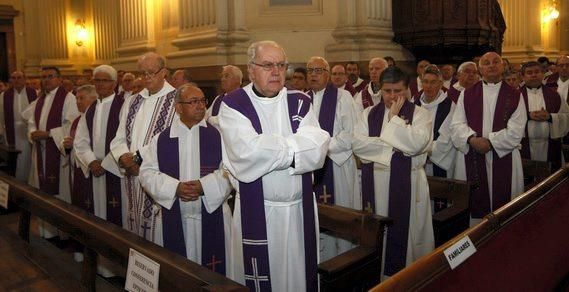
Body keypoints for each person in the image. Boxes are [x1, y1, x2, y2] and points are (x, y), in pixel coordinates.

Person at [218, 40, 330, 292]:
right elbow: (247, 154)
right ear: (250, 69)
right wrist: (295, 149)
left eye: (281, 65)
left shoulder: (300, 101)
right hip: (258, 212)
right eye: (268, 65)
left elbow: (319, 148)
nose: (277, 71)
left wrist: (271, 150)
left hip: (299, 211)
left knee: (299, 279)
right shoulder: (233, 104)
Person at [140, 84, 232, 274]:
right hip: (174, 219)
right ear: (178, 108)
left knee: (215, 273)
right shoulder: (161, 139)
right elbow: (147, 173)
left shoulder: (219, 136)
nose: (200, 106)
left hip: (211, 216)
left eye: (202, 101)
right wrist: (175, 188)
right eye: (193, 101)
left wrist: (204, 186)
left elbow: (231, 170)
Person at [352, 66, 434, 278]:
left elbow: (416, 144)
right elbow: (358, 145)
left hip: (409, 185)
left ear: (407, 89)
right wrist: (395, 146)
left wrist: (395, 119)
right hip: (375, 184)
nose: (392, 96)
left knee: (409, 239)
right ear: (380, 89)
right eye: (387, 91)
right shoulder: (368, 114)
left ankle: (410, 279)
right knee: (380, 236)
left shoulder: (420, 114)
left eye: (397, 91)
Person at [450, 52, 527, 227]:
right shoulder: (467, 94)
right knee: (475, 213)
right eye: (486, 63)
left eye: (495, 62)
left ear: (503, 66)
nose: (491, 65)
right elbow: (456, 125)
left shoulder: (515, 95)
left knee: (506, 212)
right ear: (480, 68)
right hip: (473, 153)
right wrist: (471, 139)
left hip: (504, 155)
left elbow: (516, 130)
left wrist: (490, 142)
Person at [109, 52, 177, 241]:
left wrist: (137, 159)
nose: (146, 77)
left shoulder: (177, 101)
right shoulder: (132, 101)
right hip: (131, 177)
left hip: (158, 176)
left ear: (164, 72)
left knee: (158, 235)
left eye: (151, 73)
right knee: (133, 228)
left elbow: (173, 141)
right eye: (142, 73)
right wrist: (123, 157)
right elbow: (119, 137)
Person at [306, 56, 359, 261]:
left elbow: (350, 134)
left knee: (341, 216)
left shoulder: (342, 97)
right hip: (313, 168)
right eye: (310, 70)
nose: (313, 74)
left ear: (327, 74)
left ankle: (344, 260)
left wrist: (323, 149)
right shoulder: (302, 99)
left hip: (337, 166)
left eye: (318, 70)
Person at [28, 66, 80, 238]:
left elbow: (71, 126)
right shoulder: (40, 98)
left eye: (50, 76)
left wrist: (49, 134)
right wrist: (33, 133)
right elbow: (31, 121)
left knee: (60, 193)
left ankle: (63, 234)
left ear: (59, 78)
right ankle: (47, 233)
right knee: (43, 192)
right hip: (40, 152)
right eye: (44, 77)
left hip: (58, 154)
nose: (46, 80)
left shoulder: (68, 99)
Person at [74, 65, 125, 226]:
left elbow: (126, 139)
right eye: (97, 80)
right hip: (94, 169)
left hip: (115, 170)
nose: (100, 84)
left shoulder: (124, 106)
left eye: (105, 81)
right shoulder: (90, 108)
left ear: (115, 83)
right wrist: (91, 162)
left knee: (116, 215)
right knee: (95, 214)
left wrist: (107, 163)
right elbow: (80, 140)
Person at [519, 61, 569, 169]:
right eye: (529, 72)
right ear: (522, 76)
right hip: (523, 146)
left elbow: (567, 117)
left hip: (550, 145)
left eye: (537, 72)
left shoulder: (555, 96)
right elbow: (505, 119)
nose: (534, 75)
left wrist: (550, 117)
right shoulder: (515, 96)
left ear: (543, 74)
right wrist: (528, 116)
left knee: (550, 181)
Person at [416, 65, 457, 179]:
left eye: (433, 82)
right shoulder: (414, 103)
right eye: (426, 82)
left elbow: (446, 138)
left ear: (440, 84)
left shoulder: (449, 106)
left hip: (438, 161)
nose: (429, 86)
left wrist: (427, 153)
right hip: (417, 161)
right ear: (421, 83)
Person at [0, 70, 37, 181]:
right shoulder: (4, 95)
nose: (16, 80)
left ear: (25, 79)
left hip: (29, 130)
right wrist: (2, 132)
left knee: (29, 157)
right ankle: (17, 182)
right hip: (12, 132)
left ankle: (30, 182)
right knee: (16, 158)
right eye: (13, 78)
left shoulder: (34, 93)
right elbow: (1, 116)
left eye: (19, 77)